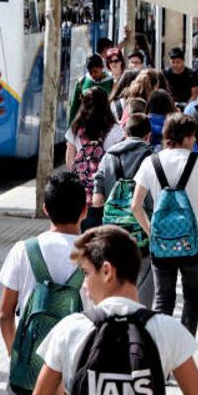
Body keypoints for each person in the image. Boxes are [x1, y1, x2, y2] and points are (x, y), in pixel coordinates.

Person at [28, 226, 198, 395]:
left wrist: (70, 394)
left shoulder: (71, 329)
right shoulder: (167, 329)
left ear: (106, 271)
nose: (84, 285)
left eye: (85, 273)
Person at [0, 172, 87, 395]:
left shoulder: (24, 250)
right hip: (78, 371)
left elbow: (4, 315)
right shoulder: (95, 255)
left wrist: (19, 356)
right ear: (84, 210)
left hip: (29, 372)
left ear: (45, 208)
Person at [130, 113, 198, 335]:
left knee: (163, 300)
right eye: (193, 135)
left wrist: (152, 232)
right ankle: (184, 356)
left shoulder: (151, 162)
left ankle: (162, 355)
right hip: (192, 243)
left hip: (161, 244)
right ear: (187, 137)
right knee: (192, 297)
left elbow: (135, 206)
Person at [93, 113, 156, 306]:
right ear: (148, 135)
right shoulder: (153, 157)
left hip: (114, 235)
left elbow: (97, 200)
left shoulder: (109, 156)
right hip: (144, 233)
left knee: (114, 283)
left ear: (125, 133)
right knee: (143, 289)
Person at [65, 87, 123, 226]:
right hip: (106, 188)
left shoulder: (75, 128)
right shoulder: (115, 129)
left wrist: (81, 175)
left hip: (81, 190)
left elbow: (69, 160)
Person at [70, 54, 114, 126]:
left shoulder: (111, 82)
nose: (93, 75)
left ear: (102, 68)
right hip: (85, 125)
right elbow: (74, 107)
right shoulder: (82, 82)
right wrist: (71, 126)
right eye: (90, 72)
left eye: (95, 71)